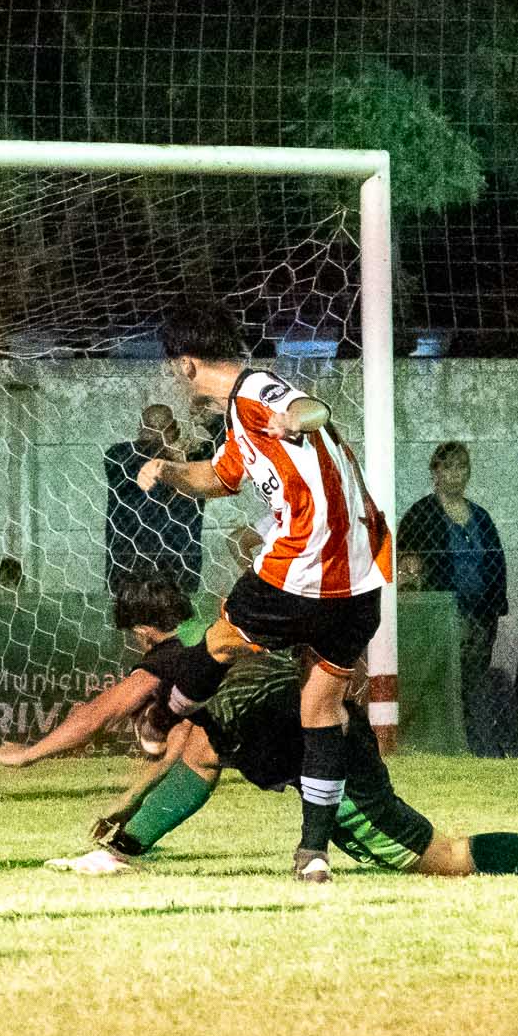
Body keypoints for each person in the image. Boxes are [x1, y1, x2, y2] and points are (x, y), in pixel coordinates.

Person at [0, 576, 518, 878]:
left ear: (142, 632)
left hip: (333, 761)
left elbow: (100, 710)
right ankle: (120, 853)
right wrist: (129, 807)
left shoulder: (172, 658)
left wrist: (31, 753)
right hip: (319, 733)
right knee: (210, 748)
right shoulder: (223, 631)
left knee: (444, 857)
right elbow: (194, 749)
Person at [131, 300, 390, 884]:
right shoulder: (239, 418)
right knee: (320, 708)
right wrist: (169, 470)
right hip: (358, 582)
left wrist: (297, 418)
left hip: (302, 569)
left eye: (173, 367)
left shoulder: (256, 391)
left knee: (220, 641)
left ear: (186, 364)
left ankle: (160, 719)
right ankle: (313, 855)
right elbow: (219, 477)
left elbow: (307, 408)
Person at [396, 441, 509, 755]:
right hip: (439, 615)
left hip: (481, 614)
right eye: (448, 467)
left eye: (462, 467)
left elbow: (496, 564)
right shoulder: (421, 515)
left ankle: (476, 747)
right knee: (444, 684)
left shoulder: (481, 517)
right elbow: (407, 567)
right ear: (435, 472)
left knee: (474, 683)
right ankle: (444, 745)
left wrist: (492, 609)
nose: (456, 474)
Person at [103, 404, 207, 594]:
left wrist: (202, 420)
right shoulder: (121, 455)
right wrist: (173, 454)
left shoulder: (193, 458)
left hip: (174, 563)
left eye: (159, 429)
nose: (153, 436)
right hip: (133, 563)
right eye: (150, 429)